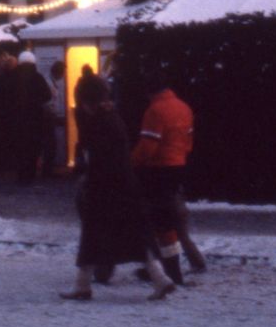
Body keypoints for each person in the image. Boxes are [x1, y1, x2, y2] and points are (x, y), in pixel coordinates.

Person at [60, 75, 173, 301]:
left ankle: (82, 285)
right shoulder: (112, 117)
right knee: (136, 236)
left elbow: (99, 159)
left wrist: (89, 181)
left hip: (105, 187)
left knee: (92, 236)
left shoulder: (98, 123)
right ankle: (160, 278)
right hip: (125, 186)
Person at [132, 78, 204, 285]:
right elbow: (188, 141)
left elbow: (148, 146)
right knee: (172, 218)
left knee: (158, 221)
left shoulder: (155, 110)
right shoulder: (183, 107)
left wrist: (133, 163)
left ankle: (166, 270)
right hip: (178, 165)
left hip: (158, 169)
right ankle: (174, 266)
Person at [12, 50, 53, 184]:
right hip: (35, 119)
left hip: (17, 120)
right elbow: (48, 96)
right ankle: (30, 175)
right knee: (33, 147)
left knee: (20, 148)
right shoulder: (37, 77)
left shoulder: (13, 76)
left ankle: (21, 175)